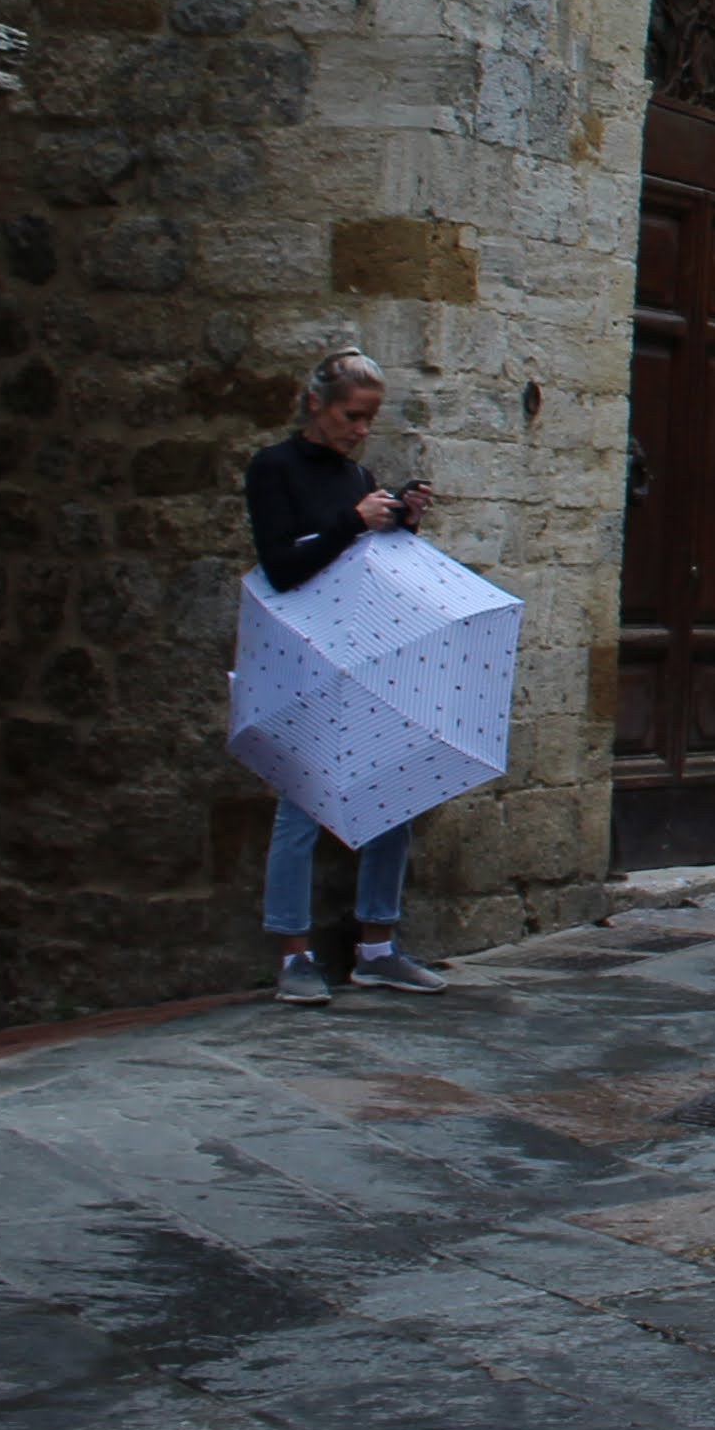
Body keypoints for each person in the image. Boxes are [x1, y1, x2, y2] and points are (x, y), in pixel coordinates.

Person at [246, 351, 454, 1004]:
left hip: (366, 649)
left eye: (369, 419)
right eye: (351, 416)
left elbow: (365, 560)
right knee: (301, 805)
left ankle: (377, 947)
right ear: (316, 403)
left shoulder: (357, 475)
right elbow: (283, 566)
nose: (361, 430)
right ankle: (293, 954)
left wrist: (402, 517)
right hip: (303, 655)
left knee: (394, 792)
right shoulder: (273, 468)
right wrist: (352, 521)